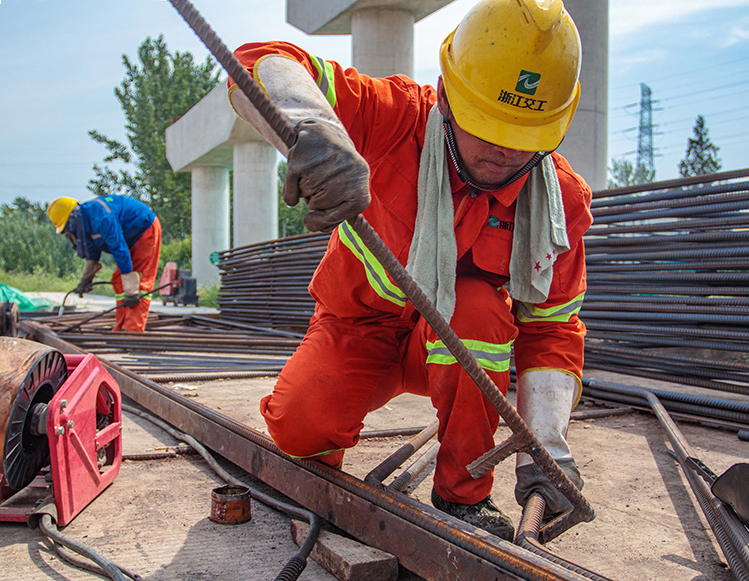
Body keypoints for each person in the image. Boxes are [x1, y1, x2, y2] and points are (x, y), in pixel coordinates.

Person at [228, 0, 591, 541]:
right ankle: (324, 474)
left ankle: (461, 497)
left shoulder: (558, 201)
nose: (503, 148)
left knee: (479, 312)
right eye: (487, 125)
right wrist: (310, 126)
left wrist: (546, 449)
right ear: (447, 94)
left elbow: (553, 332)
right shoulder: (395, 117)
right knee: (299, 424)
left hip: (451, 355)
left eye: (524, 135)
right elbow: (258, 61)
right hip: (358, 330)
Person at [46, 195, 162, 333]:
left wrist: (131, 288)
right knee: (118, 280)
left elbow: (119, 249)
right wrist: (86, 279)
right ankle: (121, 326)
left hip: (145, 229)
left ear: (72, 220)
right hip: (129, 238)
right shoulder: (85, 224)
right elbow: (92, 253)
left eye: (67, 230)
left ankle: (132, 330)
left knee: (139, 282)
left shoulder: (102, 218)